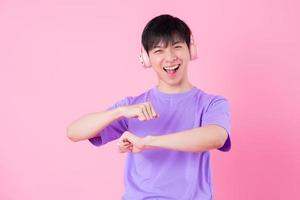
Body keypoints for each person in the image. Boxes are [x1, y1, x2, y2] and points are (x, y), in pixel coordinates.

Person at [67, 14, 231, 200]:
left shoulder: (212, 103)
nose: (170, 58)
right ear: (146, 58)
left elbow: (216, 137)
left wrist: (147, 142)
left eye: (177, 47)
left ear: (190, 50)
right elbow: (74, 132)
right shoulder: (132, 106)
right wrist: (119, 112)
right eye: (159, 51)